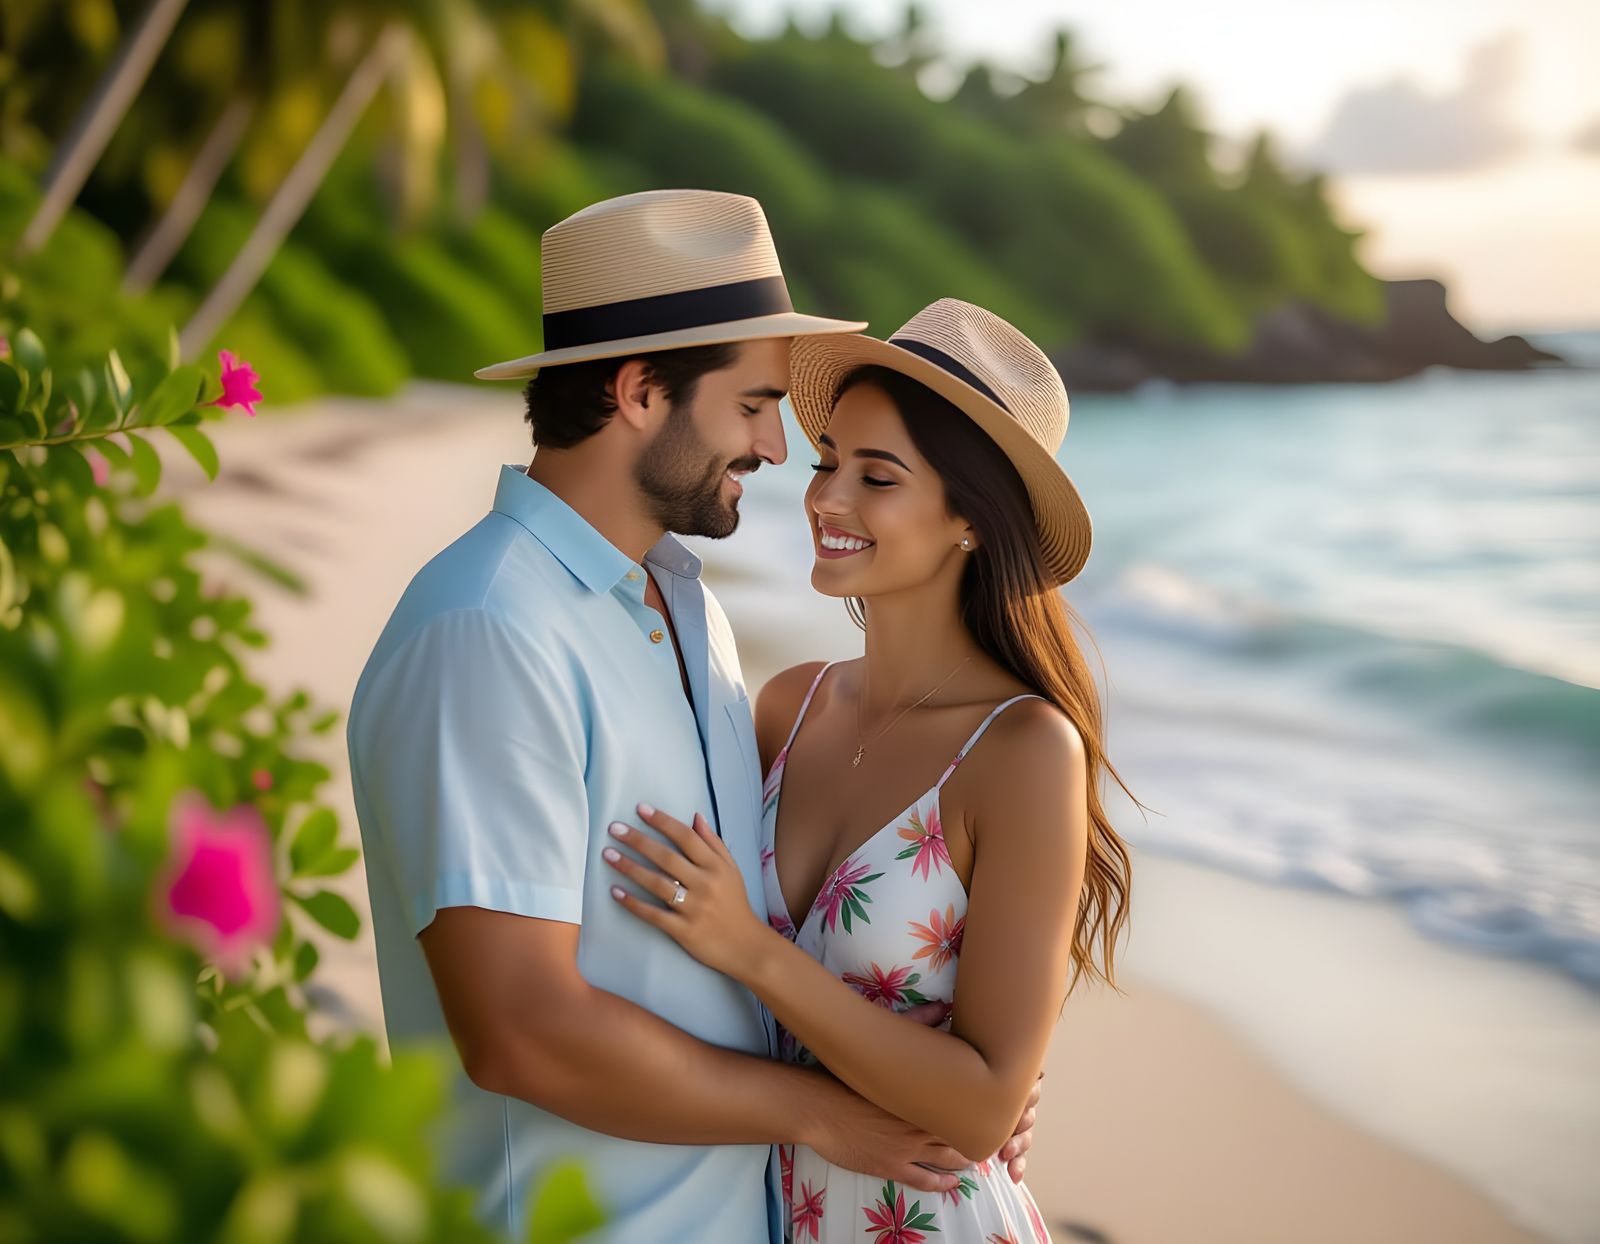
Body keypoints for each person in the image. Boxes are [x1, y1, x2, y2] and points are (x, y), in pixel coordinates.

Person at [346, 194, 1041, 1243]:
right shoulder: (489, 628)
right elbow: (522, 1034)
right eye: (755, 402)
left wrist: (959, 1075)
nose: (775, 444)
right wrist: (828, 1112)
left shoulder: (689, 612)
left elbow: (761, 937)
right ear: (636, 391)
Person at [601, 298, 1133, 1242]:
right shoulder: (786, 706)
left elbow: (978, 1112)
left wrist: (753, 951)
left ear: (971, 516)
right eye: (826, 463)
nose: (826, 499)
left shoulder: (1020, 751)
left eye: (875, 477)